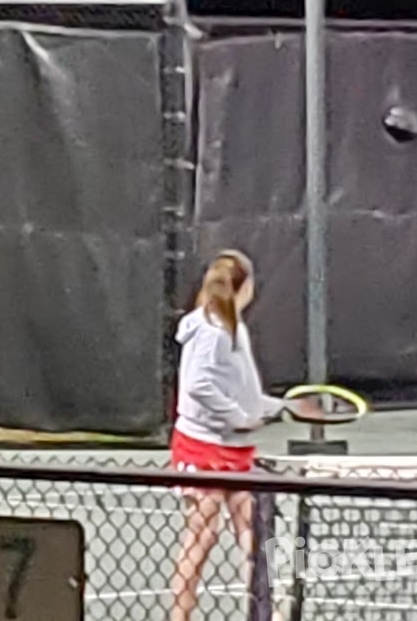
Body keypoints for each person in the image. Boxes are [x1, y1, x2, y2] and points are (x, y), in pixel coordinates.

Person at [169, 249, 316, 621]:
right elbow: (198, 386)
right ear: (244, 287)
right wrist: (239, 417)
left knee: (251, 529)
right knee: (203, 533)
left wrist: (281, 407)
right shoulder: (210, 331)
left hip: (235, 448)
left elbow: (243, 393)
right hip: (202, 446)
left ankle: (266, 613)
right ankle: (178, 616)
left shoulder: (235, 329)